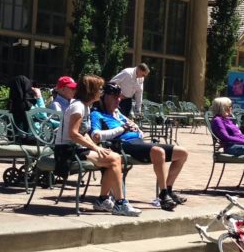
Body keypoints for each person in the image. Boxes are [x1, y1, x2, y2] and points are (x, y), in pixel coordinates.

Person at [93, 85, 188, 209]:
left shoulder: (117, 113)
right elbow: (96, 136)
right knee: (158, 151)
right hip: (123, 145)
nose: (118, 100)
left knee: (182, 152)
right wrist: (122, 129)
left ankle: (168, 189)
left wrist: (136, 128)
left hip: (139, 142)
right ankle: (164, 195)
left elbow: (137, 129)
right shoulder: (97, 114)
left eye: (119, 97)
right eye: (114, 97)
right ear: (104, 97)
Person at [55, 75, 138, 216]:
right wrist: (95, 148)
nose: (101, 92)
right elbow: (73, 134)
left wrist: (96, 146)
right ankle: (119, 203)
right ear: (90, 90)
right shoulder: (78, 107)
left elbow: (84, 132)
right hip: (66, 151)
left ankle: (103, 200)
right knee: (115, 159)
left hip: (76, 149)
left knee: (113, 158)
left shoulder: (85, 107)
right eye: (99, 89)